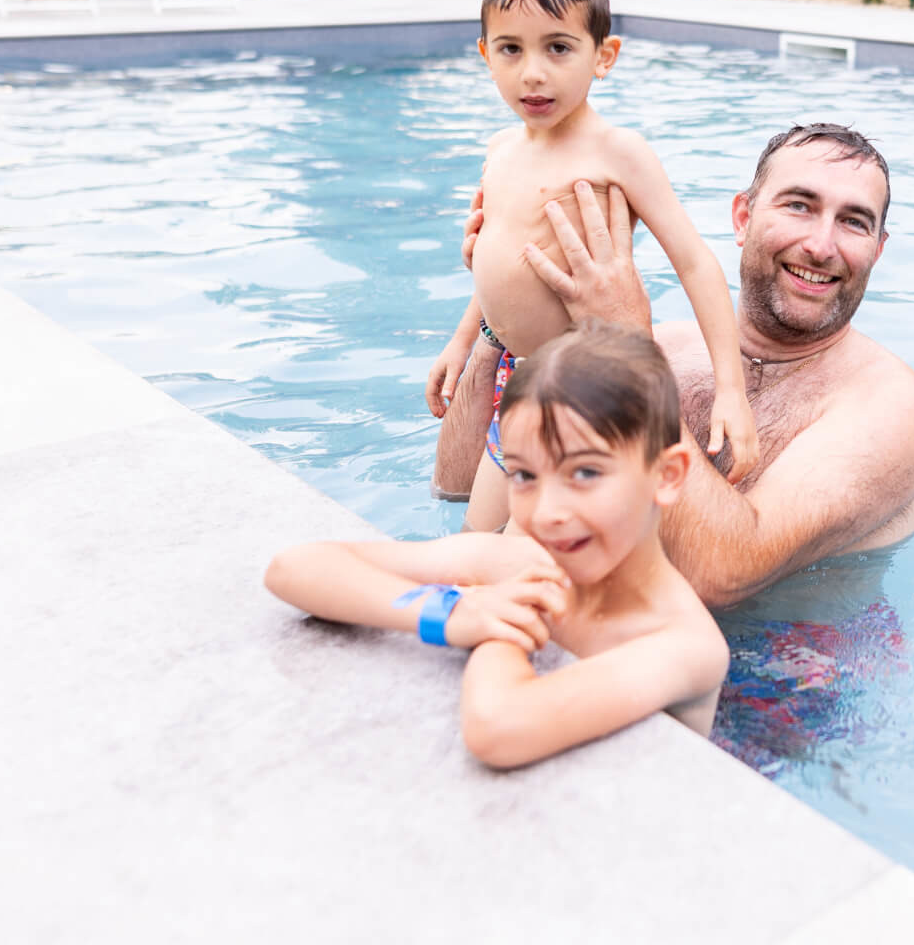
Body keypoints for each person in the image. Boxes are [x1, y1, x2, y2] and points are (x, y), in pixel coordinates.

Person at [438, 123, 914, 610]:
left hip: (782, 676)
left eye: (853, 221)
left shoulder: (889, 406)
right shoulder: (665, 348)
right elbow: (455, 491)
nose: (822, 246)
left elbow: (722, 574)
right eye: (798, 206)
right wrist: (503, 319)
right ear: (742, 218)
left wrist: (630, 350)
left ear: (878, 248)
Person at [267, 322, 731, 769]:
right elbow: (296, 568)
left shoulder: (684, 644)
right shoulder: (515, 564)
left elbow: (497, 727)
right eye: (525, 475)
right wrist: (452, 613)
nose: (548, 512)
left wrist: (501, 630)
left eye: (585, 473)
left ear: (667, 476)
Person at [425, 0, 758, 534]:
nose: (533, 71)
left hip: (582, 391)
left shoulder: (617, 152)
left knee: (532, 556)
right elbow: (502, 259)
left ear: (603, 56)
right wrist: (459, 341)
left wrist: (731, 391)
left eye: (558, 47)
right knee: (474, 540)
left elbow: (697, 264)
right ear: (485, 55)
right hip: (517, 381)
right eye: (511, 49)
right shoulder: (501, 150)